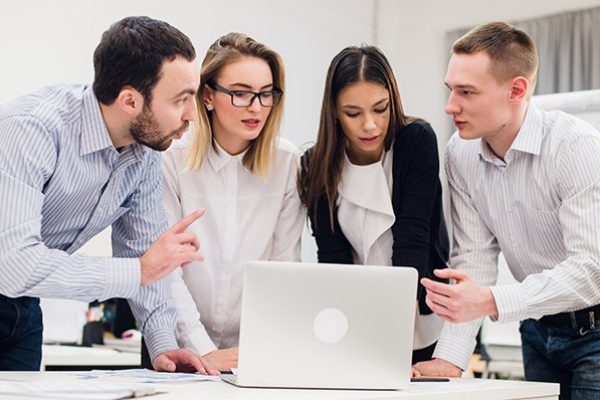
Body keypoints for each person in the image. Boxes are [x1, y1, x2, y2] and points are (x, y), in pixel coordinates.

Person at [0, 16, 217, 374]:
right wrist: (138, 271)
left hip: (22, 309)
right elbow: (14, 264)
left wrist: (162, 343)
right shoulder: (30, 129)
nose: (192, 115)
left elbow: (143, 249)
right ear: (129, 100)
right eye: (182, 99)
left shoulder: (145, 152)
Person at [416, 22, 600, 399]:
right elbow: (475, 256)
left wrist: (492, 300)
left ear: (517, 89)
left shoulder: (575, 147)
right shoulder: (460, 152)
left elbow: (591, 270)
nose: (451, 106)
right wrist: (451, 358)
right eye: (451, 90)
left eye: (467, 92)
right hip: (535, 328)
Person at [298, 45, 449, 365]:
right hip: (355, 321)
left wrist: (392, 336)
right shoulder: (316, 164)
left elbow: (413, 239)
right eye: (353, 113)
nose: (370, 125)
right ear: (334, 113)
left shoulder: (416, 141)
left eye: (381, 109)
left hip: (420, 317)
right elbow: (334, 261)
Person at [161, 32, 304, 371]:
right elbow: (165, 270)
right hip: (178, 348)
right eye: (240, 94)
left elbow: (283, 269)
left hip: (252, 355)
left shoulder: (287, 162)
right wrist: (202, 349)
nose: (256, 107)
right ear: (207, 95)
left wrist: (255, 351)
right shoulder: (171, 158)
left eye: (265, 94)